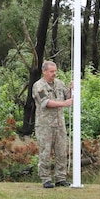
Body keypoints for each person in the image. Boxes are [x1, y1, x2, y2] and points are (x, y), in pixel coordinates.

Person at [32, 61, 73, 189]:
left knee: (61, 151)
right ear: (44, 71)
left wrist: (72, 89)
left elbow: (68, 96)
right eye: (51, 71)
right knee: (45, 152)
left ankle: (61, 178)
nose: (54, 74)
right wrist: (64, 103)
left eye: (55, 71)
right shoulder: (38, 86)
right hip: (45, 126)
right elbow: (46, 102)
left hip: (59, 124)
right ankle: (46, 179)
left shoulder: (59, 83)